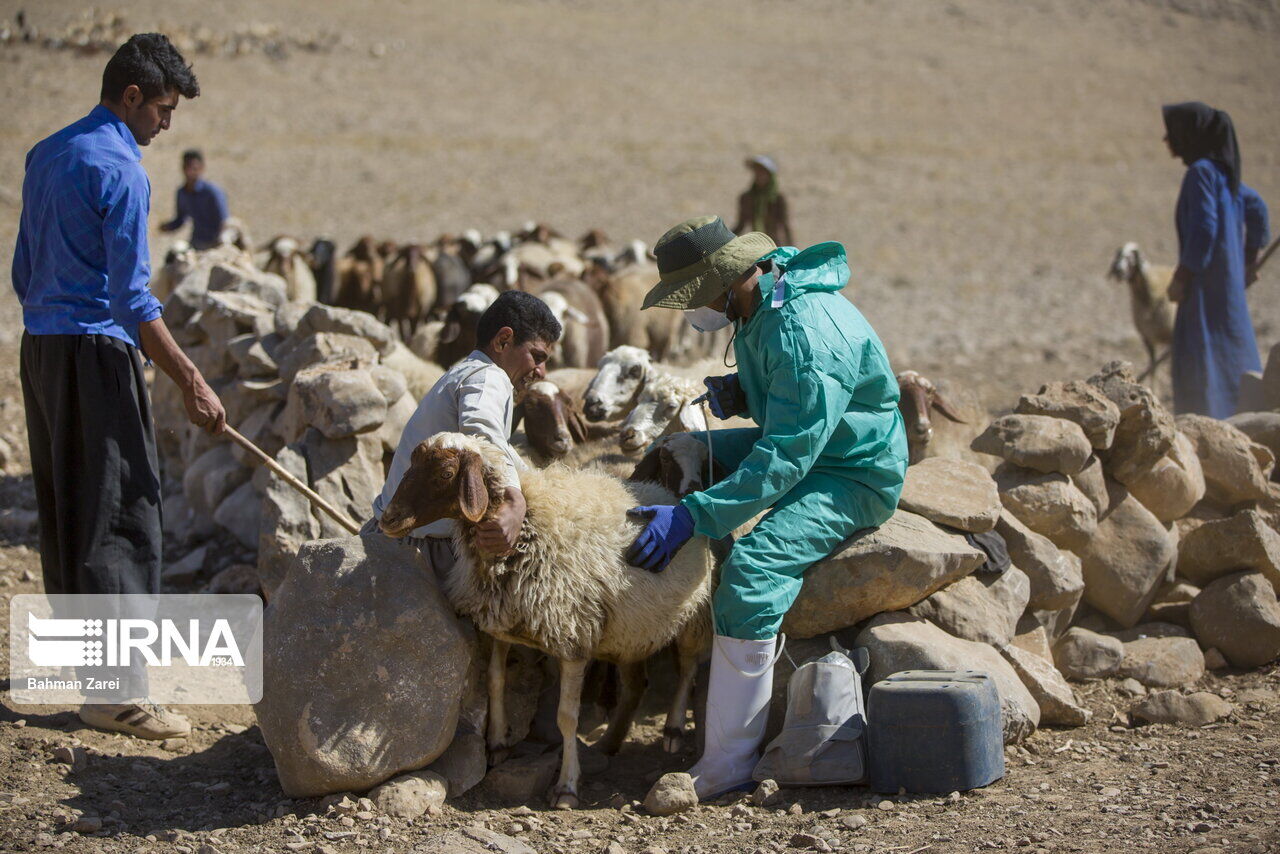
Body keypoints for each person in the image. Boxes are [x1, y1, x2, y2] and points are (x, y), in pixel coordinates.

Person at [625, 215, 907, 798]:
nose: (692, 312)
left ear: (727, 280)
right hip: (815, 442)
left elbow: (785, 456)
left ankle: (728, 760)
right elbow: (787, 416)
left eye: (694, 297)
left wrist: (695, 515)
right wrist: (742, 394)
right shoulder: (762, 305)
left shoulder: (804, 333)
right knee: (677, 448)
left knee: (753, 573)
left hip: (852, 469)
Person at [12, 33, 226, 738]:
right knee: (122, 515)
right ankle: (117, 695)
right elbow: (135, 303)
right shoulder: (123, 171)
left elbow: (21, 271)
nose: (165, 125)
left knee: (69, 509)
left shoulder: (46, 153)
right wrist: (192, 379)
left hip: (40, 350)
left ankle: (88, 672)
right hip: (98, 355)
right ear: (130, 97)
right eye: (161, 110)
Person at [368, 290, 561, 567]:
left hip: (402, 533)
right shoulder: (487, 377)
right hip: (422, 549)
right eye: (537, 356)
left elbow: (499, 447)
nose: (541, 371)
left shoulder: (468, 370)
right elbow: (482, 435)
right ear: (503, 340)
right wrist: (515, 502)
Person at [1162, 102, 1270, 418]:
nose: (1167, 140)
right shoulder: (1225, 176)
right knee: (1234, 353)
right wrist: (1248, 262)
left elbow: (1205, 228)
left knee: (1202, 359)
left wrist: (1182, 276)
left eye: (1172, 132)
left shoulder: (1200, 174)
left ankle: (1207, 427)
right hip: (1227, 288)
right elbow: (1259, 209)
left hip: (1203, 290)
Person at [158, 149, 229, 250]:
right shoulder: (182, 193)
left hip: (215, 245)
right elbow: (180, 219)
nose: (191, 171)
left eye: (195, 168)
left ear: (201, 168)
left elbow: (224, 222)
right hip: (196, 243)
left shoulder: (212, 192)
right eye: (188, 167)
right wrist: (166, 227)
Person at [732, 155, 793, 246]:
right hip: (756, 246)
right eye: (757, 171)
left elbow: (784, 225)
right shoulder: (747, 198)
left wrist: (792, 248)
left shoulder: (778, 198)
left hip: (775, 245)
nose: (759, 175)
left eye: (762, 172)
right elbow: (741, 225)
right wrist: (726, 241)